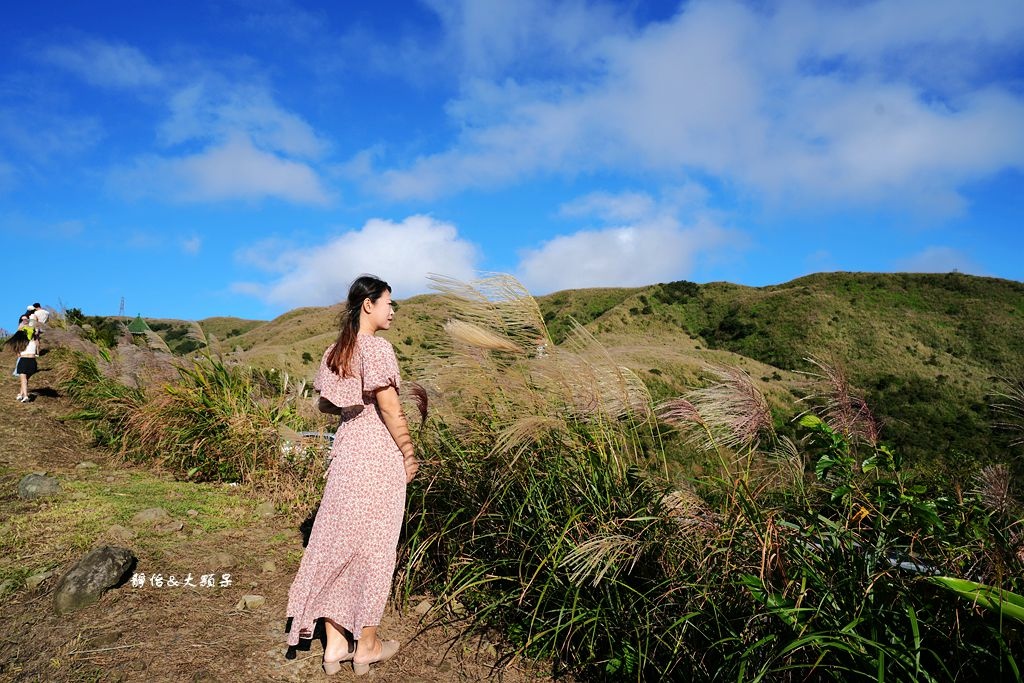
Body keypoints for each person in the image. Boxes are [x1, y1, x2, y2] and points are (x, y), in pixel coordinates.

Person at [285, 275, 419, 676]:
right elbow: (391, 407)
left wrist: (349, 405)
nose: (392, 311)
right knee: (376, 546)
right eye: (388, 303)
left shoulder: (335, 351)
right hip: (378, 454)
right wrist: (409, 453)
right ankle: (367, 646)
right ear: (368, 305)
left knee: (335, 540)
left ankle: (334, 645)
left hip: (346, 453)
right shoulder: (378, 348)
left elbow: (326, 404)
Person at [5, 318, 38, 402]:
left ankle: (26, 396)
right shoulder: (33, 342)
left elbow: (19, 354)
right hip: (33, 362)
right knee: (26, 380)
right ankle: (20, 394)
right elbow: (36, 334)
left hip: (23, 361)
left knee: (23, 380)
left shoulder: (20, 344)